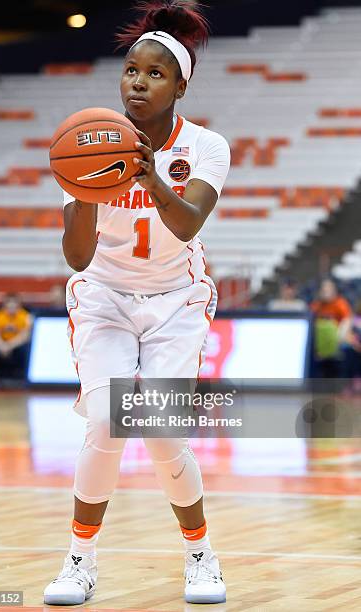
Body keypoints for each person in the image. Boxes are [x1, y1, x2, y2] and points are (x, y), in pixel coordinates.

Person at [43, 0, 230, 605]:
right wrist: (90, 186)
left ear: (180, 84)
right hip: (103, 296)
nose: (138, 82)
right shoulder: (87, 142)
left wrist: (147, 177)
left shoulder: (206, 147)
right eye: (130, 70)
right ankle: (80, 560)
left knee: (162, 432)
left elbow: (187, 224)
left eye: (155, 73)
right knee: (106, 421)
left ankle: (200, 554)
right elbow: (76, 256)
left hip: (176, 299)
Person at [310, 279, 352, 378]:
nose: (326, 292)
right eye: (324, 289)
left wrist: (339, 337)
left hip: (337, 342)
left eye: (329, 289)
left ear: (334, 290)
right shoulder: (316, 305)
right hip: (319, 344)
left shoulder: (340, 303)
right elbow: (310, 320)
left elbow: (347, 321)